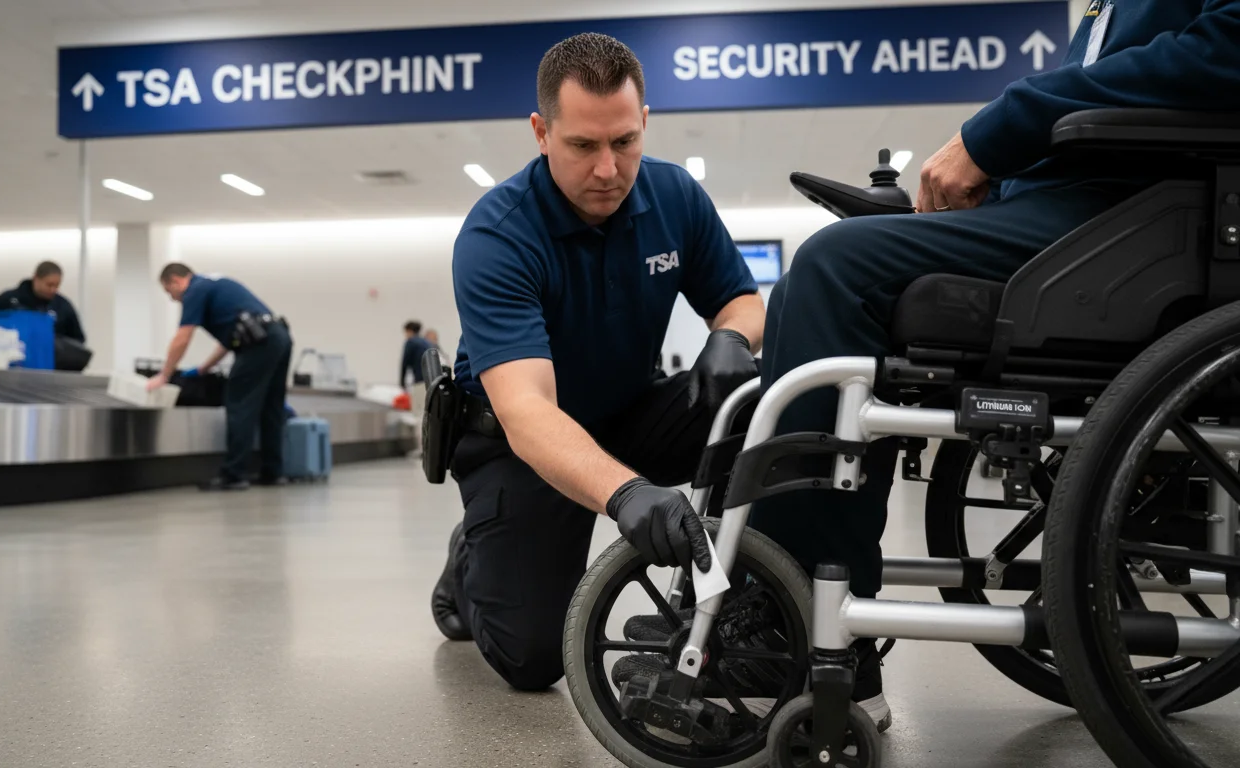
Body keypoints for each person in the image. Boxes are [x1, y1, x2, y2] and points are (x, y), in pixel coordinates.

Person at [750, 0, 1240, 733]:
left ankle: (799, 635)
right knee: (827, 270)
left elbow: (1220, 51)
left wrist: (995, 132)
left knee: (832, 270)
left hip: (1138, 227)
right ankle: (777, 599)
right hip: (1095, 211)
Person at [429, 33, 765, 693]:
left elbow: (741, 299)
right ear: (541, 131)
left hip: (628, 410)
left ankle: (729, 604)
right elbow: (526, 409)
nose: (608, 169)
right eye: (582, 146)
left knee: (761, 402)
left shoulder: (675, 197)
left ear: (644, 123)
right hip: (520, 442)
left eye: (624, 142)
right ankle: (471, 555)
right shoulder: (498, 235)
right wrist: (625, 493)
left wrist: (732, 337)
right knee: (532, 659)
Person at [147, 263, 293, 491]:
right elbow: (230, 339)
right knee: (271, 406)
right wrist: (203, 368)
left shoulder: (195, 291)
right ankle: (273, 472)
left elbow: (183, 336)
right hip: (278, 336)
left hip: (259, 343)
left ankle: (234, 475)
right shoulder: (214, 284)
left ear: (176, 280)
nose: (172, 299)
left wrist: (164, 375)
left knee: (239, 404)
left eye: (169, 291)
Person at [0, 260, 86, 344]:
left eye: (56, 286)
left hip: (50, 364)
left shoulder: (63, 306)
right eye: (49, 285)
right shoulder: (9, 300)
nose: (53, 290)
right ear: (36, 279)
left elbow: (78, 341)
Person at [400, 321, 431, 388]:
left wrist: (402, 382)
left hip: (418, 377)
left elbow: (405, 362)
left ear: (409, 331)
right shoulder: (426, 342)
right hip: (429, 377)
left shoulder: (410, 342)